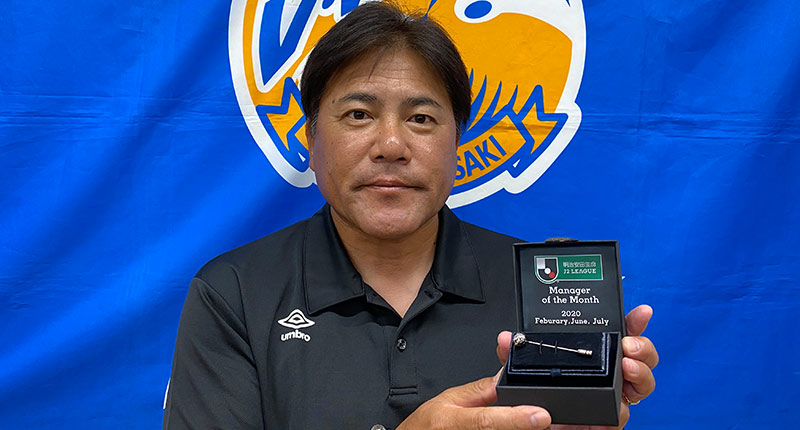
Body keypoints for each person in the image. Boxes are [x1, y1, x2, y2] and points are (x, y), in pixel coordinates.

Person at [163, 3, 658, 429]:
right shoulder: (233, 293)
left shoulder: (538, 290)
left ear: (457, 142)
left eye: (421, 118)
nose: (391, 145)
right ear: (310, 138)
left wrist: (588, 401)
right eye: (359, 115)